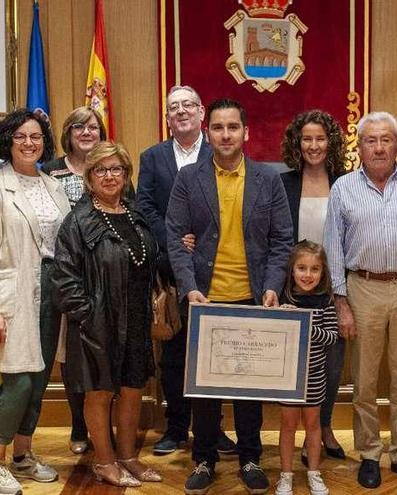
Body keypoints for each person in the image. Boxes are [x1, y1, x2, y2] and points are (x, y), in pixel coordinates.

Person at [165, 98, 293, 495]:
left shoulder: (268, 179)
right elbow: (174, 235)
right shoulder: (189, 179)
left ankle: (250, 457)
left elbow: (282, 240)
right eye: (218, 127)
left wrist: (272, 285)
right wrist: (189, 288)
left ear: (246, 133)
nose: (225, 134)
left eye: (232, 127)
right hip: (206, 302)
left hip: (252, 300)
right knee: (205, 392)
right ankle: (203, 459)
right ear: (208, 132)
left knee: (248, 391)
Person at [324, 111, 397, 490]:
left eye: (385, 140)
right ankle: (370, 453)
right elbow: (334, 249)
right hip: (363, 288)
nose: (378, 147)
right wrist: (341, 303)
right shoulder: (342, 187)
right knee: (364, 377)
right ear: (359, 147)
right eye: (371, 140)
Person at [0, 108, 70, 495]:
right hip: (11, 297)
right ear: (7, 142)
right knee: (18, 380)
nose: (30, 143)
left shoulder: (52, 186)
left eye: (36, 137)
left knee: (40, 376)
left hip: (50, 292)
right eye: (21, 137)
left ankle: (23, 456)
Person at [53, 141, 162, 487]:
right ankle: (103, 460)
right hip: (95, 323)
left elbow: (149, 263)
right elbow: (64, 277)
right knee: (99, 392)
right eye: (101, 170)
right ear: (89, 178)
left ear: (127, 175)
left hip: (136, 318)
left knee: (131, 389)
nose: (110, 176)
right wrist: (87, 315)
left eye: (117, 169)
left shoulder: (136, 215)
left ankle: (128, 456)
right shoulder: (78, 222)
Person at [136, 85, 237, 457]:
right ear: (167, 119)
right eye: (173, 107)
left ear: (201, 113)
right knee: (176, 356)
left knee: (217, 353)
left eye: (188, 105)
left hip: (218, 270)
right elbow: (144, 206)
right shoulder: (153, 157)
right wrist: (176, 240)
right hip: (172, 268)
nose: (180, 111)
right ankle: (176, 428)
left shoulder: (223, 151)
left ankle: (214, 431)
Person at [279, 109, 348, 460]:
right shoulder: (284, 183)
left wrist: (343, 294)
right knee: (296, 364)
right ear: (297, 142)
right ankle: (301, 434)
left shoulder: (346, 182)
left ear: (331, 142)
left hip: (333, 289)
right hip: (294, 288)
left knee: (331, 362)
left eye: (320, 138)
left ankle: (324, 427)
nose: (313, 145)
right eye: (307, 138)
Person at [40, 106, 107, 455]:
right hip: (65, 275)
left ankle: (102, 422)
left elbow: (130, 209)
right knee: (71, 354)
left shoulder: (109, 166)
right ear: (67, 133)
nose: (86, 132)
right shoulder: (49, 172)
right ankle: (79, 424)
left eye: (93, 126)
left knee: (102, 350)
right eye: (78, 126)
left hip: (106, 275)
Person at [275, 241, 339, 495]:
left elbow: (332, 336)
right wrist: (284, 317)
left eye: (314, 269)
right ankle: (286, 476)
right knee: (288, 426)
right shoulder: (284, 298)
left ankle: (313, 472)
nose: (308, 275)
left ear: (323, 272)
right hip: (287, 376)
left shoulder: (326, 301)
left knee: (313, 426)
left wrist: (304, 326)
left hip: (315, 376)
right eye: (301, 268)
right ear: (292, 270)